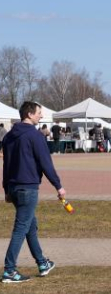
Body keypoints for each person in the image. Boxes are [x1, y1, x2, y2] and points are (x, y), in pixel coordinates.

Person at [2, 102, 65, 283]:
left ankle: (42, 263)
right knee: (21, 228)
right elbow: (46, 163)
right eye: (39, 113)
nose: (41, 116)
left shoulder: (9, 136)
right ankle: (9, 270)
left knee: (30, 226)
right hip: (27, 187)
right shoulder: (35, 135)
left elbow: (6, 165)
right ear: (29, 114)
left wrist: (6, 188)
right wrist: (58, 186)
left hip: (14, 187)